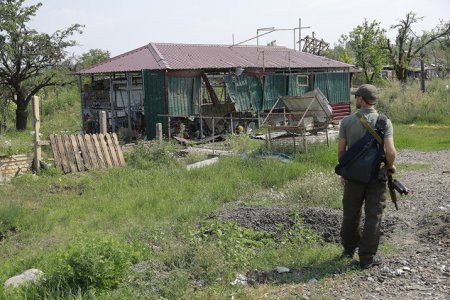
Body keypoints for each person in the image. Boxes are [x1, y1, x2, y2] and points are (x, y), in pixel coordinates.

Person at [338, 84, 397, 269]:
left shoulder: (346, 121)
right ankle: (366, 259)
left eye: (356, 97)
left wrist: (346, 171)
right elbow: (391, 151)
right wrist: (389, 166)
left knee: (350, 214)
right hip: (375, 177)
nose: (355, 99)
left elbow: (341, 152)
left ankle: (348, 250)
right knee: (373, 216)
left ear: (362, 99)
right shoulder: (384, 121)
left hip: (354, 177)